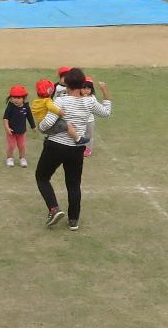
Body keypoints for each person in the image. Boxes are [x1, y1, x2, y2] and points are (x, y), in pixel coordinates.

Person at [34, 68, 111, 230]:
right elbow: (106, 112)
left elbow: (47, 124)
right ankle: (73, 220)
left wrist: (41, 126)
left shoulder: (60, 101)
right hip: (76, 149)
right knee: (74, 184)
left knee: (42, 177)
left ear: (66, 84)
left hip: (55, 146)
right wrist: (105, 92)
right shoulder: (89, 102)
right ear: (82, 84)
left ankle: (54, 208)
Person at [2, 84, 32, 168]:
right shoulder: (10, 106)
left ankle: (22, 158)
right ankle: (9, 158)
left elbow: (29, 116)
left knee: (22, 146)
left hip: (22, 131)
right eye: (14, 97)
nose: (16, 100)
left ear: (23, 98)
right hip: (11, 132)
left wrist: (33, 126)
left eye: (18, 98)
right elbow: (5, 118)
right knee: (11, 145)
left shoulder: (26, 106)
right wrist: (7, 128)